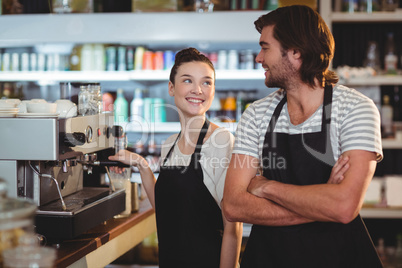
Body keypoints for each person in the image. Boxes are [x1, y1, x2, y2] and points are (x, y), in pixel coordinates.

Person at [222, 5, 383, 267]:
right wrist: (322, 204)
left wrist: (266, 187)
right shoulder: (256, 114)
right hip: (269, 259)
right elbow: (233, 206)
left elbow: (343, 207)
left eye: (266, 47)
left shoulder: (354, 108)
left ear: (295, 52)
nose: (259, 58)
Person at [109, 47, 242, 268]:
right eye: (188, 81)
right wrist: (141, 165)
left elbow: (233, 227)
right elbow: (165, 206)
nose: (198, 89)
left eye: (207, 82)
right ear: (171, 88)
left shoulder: (221, 141)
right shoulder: (170, 144)